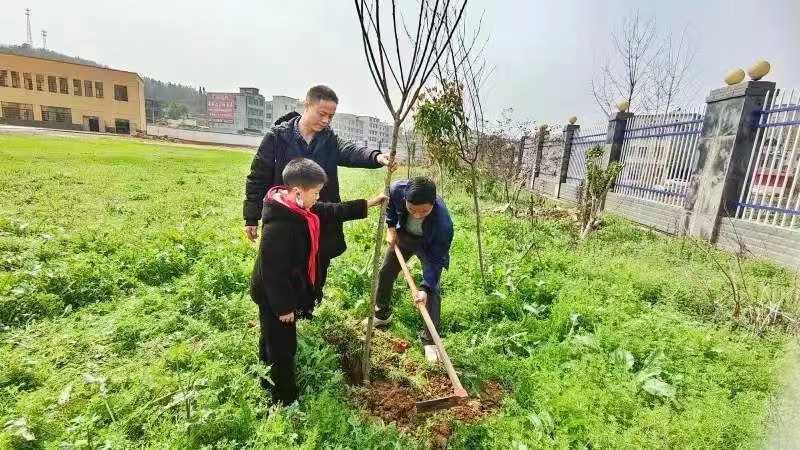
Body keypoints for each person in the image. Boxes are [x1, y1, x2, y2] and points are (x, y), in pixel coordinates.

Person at [243, 85, 397, 309]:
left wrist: (377, 157)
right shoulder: (277, 137)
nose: (326, 120)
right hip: (286, 218)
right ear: (307, 105)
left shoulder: (328, 140)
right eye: (322, 113)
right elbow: (258, 177)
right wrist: (251, 216)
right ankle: (282, 307)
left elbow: (350, 151)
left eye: (331, 116)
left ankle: (307, 306)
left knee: (317, 262)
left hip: (319, 217)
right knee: (285, 262)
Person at [250, 157, 386, 405]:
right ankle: (284, 397)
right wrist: (284, 308)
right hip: (274, 296)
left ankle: (264, 376)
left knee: (271, 338)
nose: (318, 198)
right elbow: (273, 272)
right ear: (297, 192)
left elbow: (333, 211)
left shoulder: (299, 208)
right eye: (316, 193)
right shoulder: (278, 225)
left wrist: (368, 204)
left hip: (279, 292)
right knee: (283, 347)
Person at [371, 177, 454, 362]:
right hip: (404, 237)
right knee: (386, 271)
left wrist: (425, 288)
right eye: (412, 209)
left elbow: (436, 260)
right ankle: (381, 314)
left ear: (433, 204)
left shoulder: (443, 225)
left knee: (431, 291)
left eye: (424, 211)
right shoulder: (397, 190)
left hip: (428, 246)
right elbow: (390, 206)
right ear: (405, 200)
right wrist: (391, 228)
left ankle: (430, 341)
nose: (417, 215)